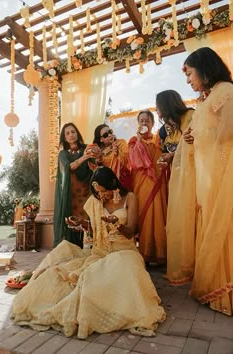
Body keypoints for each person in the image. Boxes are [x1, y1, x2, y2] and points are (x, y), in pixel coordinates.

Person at [12, 166, 166, 338]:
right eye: (98, 192)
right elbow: (94, 229)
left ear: (113, 183)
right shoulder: (95, 201)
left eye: (104, 191)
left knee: (124, 276)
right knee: (65, 275)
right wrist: (81, 224)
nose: (101, 195)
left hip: (125, 252)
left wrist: (116, 223)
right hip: (99, 253)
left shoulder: (130, 198)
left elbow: (132, 230)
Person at [166, 47, 233, 316]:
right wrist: (194, 139)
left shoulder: (226, 91)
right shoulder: (207, 99)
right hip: (208, 177)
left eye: (190, 74)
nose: (188, 81)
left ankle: (224, 286)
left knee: (224, 224)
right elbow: (210, 131)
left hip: (223, 176)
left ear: (205, 70)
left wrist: (201, 137)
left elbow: (228, 134)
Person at [128, 110, 167, 265]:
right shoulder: (133, 141)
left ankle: (160, 253)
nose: (144, 123)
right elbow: (134, 161)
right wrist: (138, 139)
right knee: (143, 215)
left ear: (152, 123)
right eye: (142, 120)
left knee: (158, 214)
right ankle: (144, 252)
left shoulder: (159, 139)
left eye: (147, 120)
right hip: (141, 183)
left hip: (158, 182)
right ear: (138, 123)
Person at [54, 122, 100, 247]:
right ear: (64, 138)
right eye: (67, 133)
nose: (71, 135)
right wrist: (85, 157)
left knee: (87, 217)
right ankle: (73, 248)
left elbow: (96, 163)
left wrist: (97, 155)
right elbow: (71, 167)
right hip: (71, 194)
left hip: (87, 191)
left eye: (73, 132)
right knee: (72, 220)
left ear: (77, 133)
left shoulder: (87, 147)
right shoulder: (63, 154)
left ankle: (92, 247)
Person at [155, 90, 194, 169]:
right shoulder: (163, 131)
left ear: (165, 104)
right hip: (177, 172)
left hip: (195, 168)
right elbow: (166, 152)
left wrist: (172, 155)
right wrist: (164, 159)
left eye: (157, 105)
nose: (156, 109)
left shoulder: (191, 116)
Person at [93, 124, 132, 190]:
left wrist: (117, 153)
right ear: (101, 139)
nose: (109, 135)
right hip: (107, 185)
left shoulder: (121, 143)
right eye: (105, 135)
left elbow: (127, 160)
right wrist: (99, 159)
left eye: (110, 132)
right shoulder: (99, 152)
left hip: (122, 181)